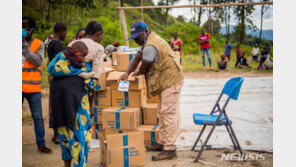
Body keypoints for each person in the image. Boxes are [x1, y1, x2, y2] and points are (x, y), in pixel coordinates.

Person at [118, 21, 184, 161]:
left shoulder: (151, 46)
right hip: (165, 80)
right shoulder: (146, 42)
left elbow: (143, 68)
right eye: (134, 37)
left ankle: (170, 148)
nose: (136, 39)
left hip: (171, 80)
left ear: (146, 32)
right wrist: (126, 73)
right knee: (161, 111)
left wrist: (134, 74)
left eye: (138, 36)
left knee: (168, 114)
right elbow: (135, 59)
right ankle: (162, 143)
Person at [48, 41, 92, 167]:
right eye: (82, 56)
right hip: (77, 113)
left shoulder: (56, 72)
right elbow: (91, 85)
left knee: (65, 139)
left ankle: (67, 165)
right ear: (76, 53)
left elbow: (51, 71)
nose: (83, 59)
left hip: (61, 112)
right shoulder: (79, 69)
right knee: (80, 140)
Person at [22, 16, 52, 154]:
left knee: (38, 117)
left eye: (25, 26)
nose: (22, 29)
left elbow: (38, 61)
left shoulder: (39, 44)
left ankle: (41, 144)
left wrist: (24, 46)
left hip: (33, 88)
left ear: (31, 29)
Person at [47, 22, 68, 144]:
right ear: (62, 32)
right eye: (65, 33)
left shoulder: (51, 43)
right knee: (58, 107)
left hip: (53, 79)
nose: (65, 35)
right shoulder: (58, 44)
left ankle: (56, 134)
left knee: (54, 105)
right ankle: (57, 135)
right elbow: (61, 63)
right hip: (59, 79)